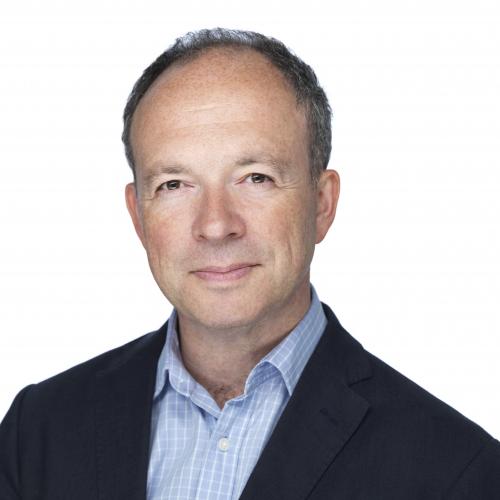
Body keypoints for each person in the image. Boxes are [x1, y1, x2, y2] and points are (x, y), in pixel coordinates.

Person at [0, 27, 499, 500]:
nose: (216, 225)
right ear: (139, 216)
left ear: (322, 204)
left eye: (256, 178)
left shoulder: (456, 471)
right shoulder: (36, 431)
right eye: (174, 184)